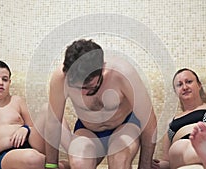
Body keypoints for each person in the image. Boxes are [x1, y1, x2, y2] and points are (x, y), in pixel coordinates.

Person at [44, 39, 157, 169]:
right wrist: (51, 165)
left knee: (119, 159)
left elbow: (149, 122)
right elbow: (53, 122)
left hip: (125, 126)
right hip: (88, 129)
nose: (83, 93)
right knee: (79, 162)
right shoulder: (60, 78)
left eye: (88, 86)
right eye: (76, 87)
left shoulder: (122, 73)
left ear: (102, 69)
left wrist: (145, 165)